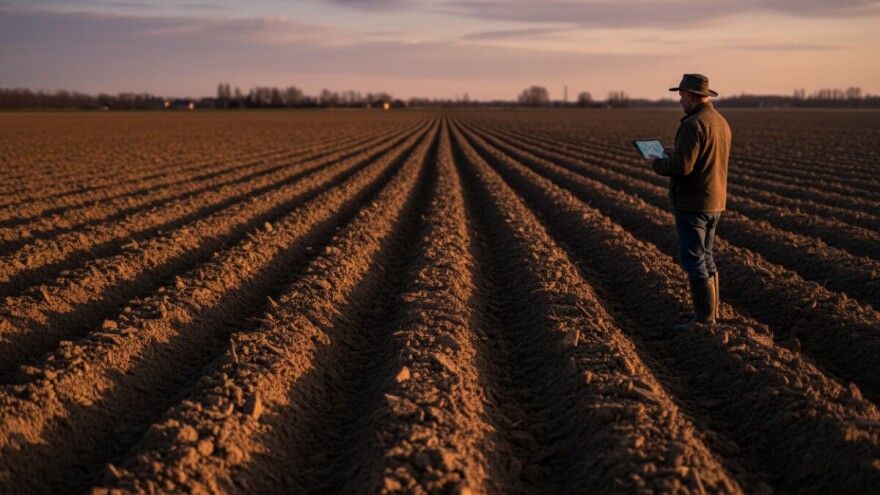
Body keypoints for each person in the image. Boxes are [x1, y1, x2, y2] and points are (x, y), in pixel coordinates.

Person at [648, 73, 731, 330]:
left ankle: (704, 320)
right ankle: (712, 316)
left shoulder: (693, 124)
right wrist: (677, 152)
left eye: (682, 95)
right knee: (707, 257)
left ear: (693, 96)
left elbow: (683, 167)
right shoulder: (720, 122)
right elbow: (703, 155)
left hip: (693, 202)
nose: (680, 100)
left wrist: (657, 162)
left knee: (694, 259)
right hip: (714, 200)